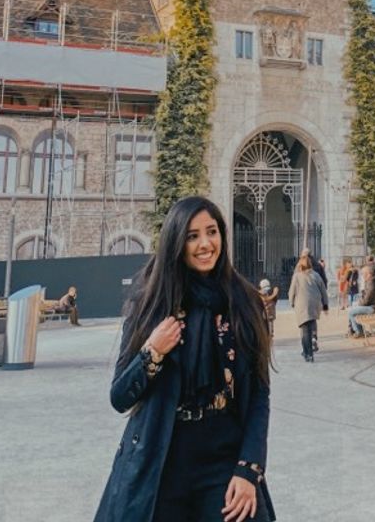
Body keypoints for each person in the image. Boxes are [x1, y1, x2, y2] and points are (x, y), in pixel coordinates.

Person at [92, 196, 274, 522]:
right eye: (192, 236)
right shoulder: (150, 302)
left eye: (212, 232)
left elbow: (259, 393)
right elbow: (120, 396)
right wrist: (152, 351)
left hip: (223, 455)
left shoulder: (244, 302)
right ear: (177, 242)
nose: (205, 244)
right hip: (160, 457)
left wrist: (250, 469)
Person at [288, 253, 327, 362]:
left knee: (304, 330)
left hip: (302, 305)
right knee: (311, 323)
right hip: (315, 305)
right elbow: (323, 290)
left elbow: (292, 291)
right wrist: (325, 305)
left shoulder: (297, 276)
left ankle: (308, 353)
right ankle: (313, 339)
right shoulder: (316, 275)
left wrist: (291, 302)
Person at [346, 256, 375, 337]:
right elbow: (366, 298)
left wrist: (359, 303)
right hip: (373, 305)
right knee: (353, 306)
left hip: (373, 308)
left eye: (364, 274)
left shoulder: (372, 284)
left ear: (369, 274)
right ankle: (352, 329)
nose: (362, 276)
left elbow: (366, 300)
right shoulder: (372, 281)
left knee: (351, 311)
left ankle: (358, 331)